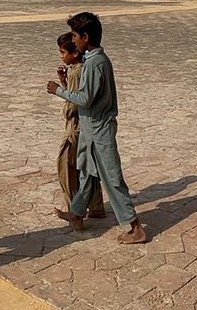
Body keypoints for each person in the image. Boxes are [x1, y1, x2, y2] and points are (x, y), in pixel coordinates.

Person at [47, 12, 147, 244]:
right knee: (88, 174)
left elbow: (85, 99)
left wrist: (58, 91)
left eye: (74, 36)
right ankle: (77, 213)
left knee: (112, 178)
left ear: (85, 36)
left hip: (100, 129)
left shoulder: (95, 64)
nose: (72, 41)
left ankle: (135, 227)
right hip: (91, 130)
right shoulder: (95, 60)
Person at [55, 32, 104, 218]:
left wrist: (59, 90)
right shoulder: (84, 68)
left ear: (74, 53)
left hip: (75, 126)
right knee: (86, 167)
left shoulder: (77, 70)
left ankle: (75, 209)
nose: (61, 56)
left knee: (66, 168)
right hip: (85, 126)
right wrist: (64, 82)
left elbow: (73, 105)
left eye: (62, 52)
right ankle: (96, 206)